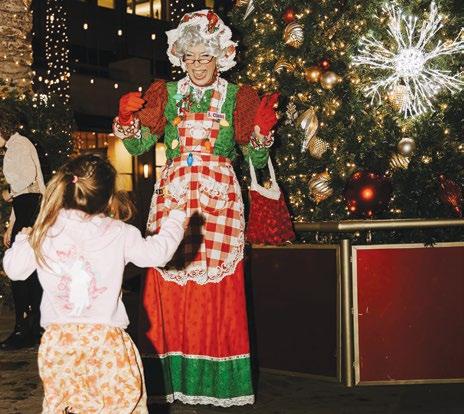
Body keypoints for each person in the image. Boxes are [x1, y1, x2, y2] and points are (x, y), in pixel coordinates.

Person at [113, 9, 279, 407]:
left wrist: (261, 136)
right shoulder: (166, 95)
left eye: (206, 57)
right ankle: (167, 380)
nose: (198, 65)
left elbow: (254, 160)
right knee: (169, 281)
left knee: (217, 290)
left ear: (220, 56)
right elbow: (138, 146)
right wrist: (127, 120)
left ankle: (218, 385)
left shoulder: (238, 98)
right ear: (181, 58)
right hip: (173, 200)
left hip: (219, 205)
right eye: (191, 58)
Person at [2, 153, 186, 413]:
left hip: (60, 344)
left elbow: (14, 270)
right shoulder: (120, 232)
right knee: (117, 406)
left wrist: (23, 238)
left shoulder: (44, 231)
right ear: (108, 198)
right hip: (105, 343)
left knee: (64, 406)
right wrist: (176, 219)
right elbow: (159, 254)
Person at [0, 108, 45, 350]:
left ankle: (23, 330)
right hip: (28, 207)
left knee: (20, 270)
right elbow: (26, 190)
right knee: (30, 269)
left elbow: (26, 182)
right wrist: (11, 225)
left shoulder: (17, 145)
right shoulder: (18, 144)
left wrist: (8, 192)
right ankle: (33, 327)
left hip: (29, 207)